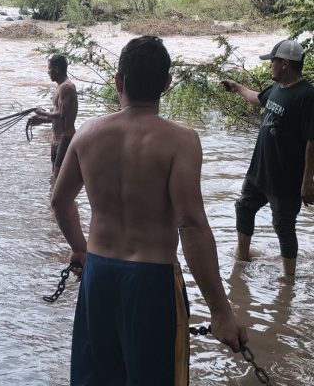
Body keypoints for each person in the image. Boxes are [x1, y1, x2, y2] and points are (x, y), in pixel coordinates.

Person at [51, 36, 247, 385]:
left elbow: (60, 201)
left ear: (118, 81)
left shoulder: (88, 134)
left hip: (99, 274)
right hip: (152, 281)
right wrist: (220, 311)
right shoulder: (180, 140)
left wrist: (80, 249)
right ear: (167, 84)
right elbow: (191, 224)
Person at [222, 39, 314, 276]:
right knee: (243, 208)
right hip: (259, 171)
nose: (269, 65)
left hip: (286, 177)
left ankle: (289, 278)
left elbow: (312, 140)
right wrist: (236, 87)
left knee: (283, 226)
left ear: (284, 64)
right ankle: (241, 257)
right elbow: (257, 98)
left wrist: (308, 180)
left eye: (272, 61)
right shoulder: (276, 89)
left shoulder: (306, 96)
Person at [27, 54, 78, 179]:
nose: (48, 72)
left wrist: (42, 112)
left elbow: (62, 113)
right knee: (54, 176)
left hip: (65, 138)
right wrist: (41, 120)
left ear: (56, 69)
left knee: (58, 176)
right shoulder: (59, 87)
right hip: (56, 140)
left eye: (49, 69)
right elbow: (58, 117)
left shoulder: (66, 87)